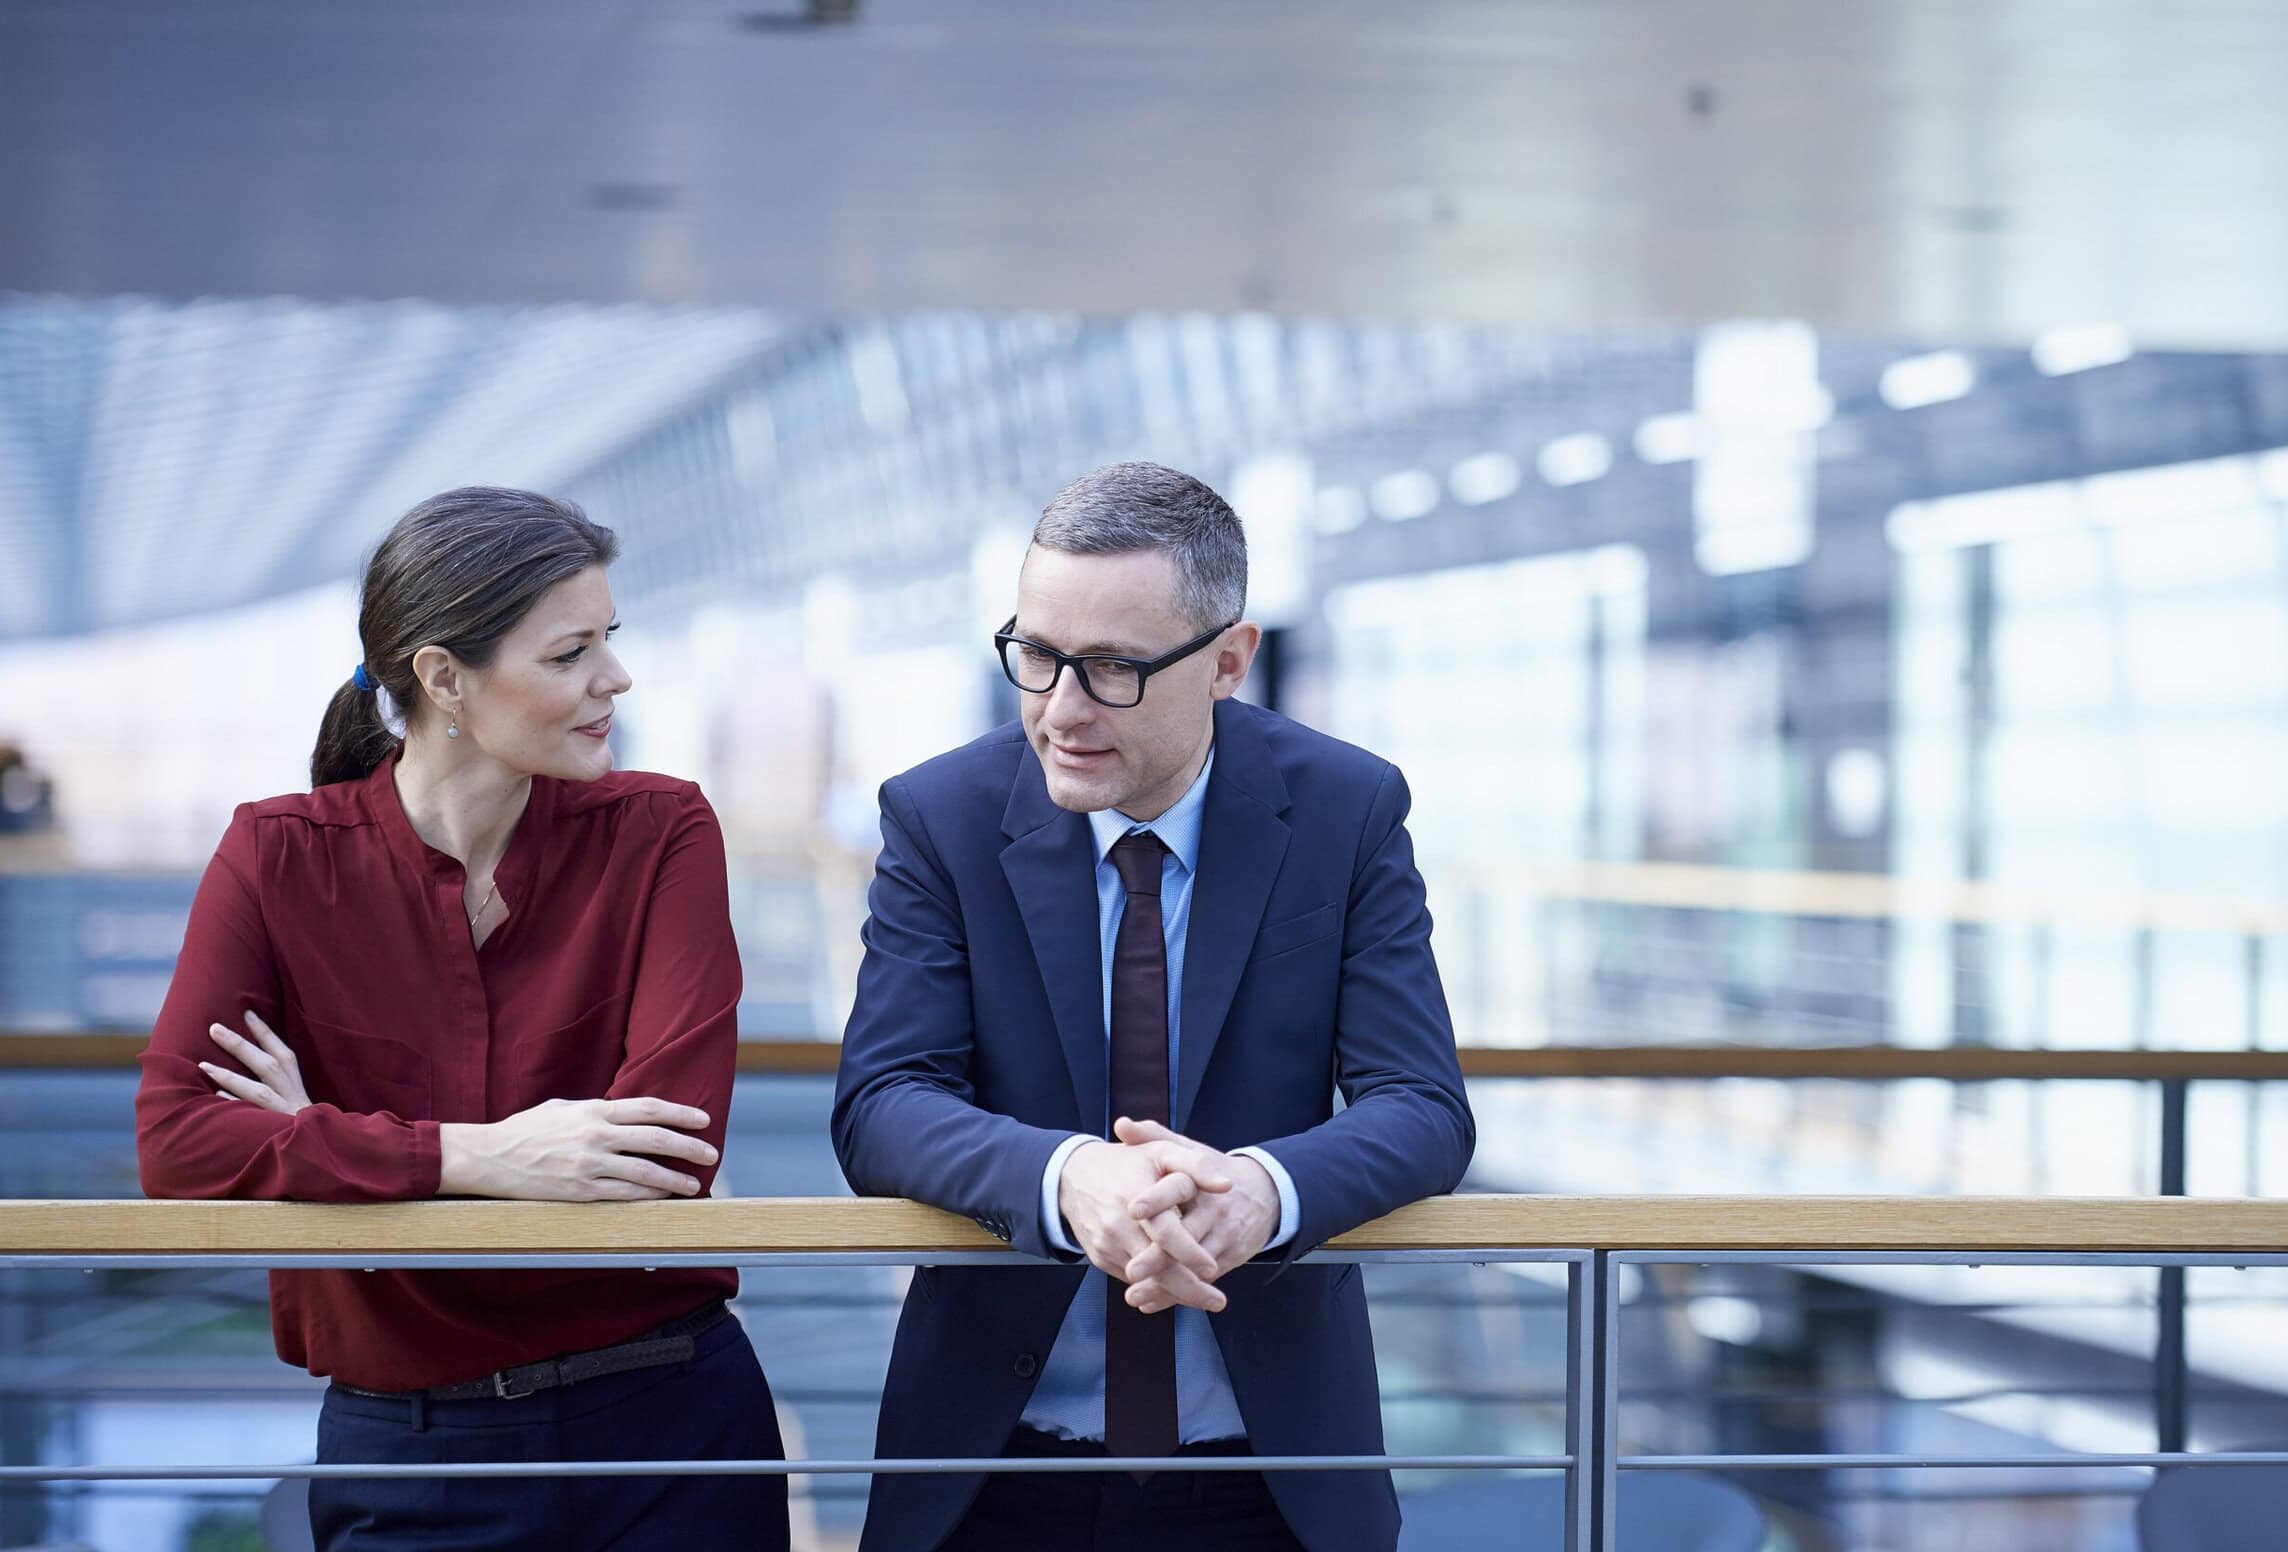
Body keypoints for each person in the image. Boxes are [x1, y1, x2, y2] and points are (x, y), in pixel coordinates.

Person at [833, 462, 1475, 1552]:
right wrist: (1068, 1178)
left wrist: (1260, 1196)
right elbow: (883, 1102)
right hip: (991, 1464)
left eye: (1114, 669)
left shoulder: (1345, 809)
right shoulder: (938, 816)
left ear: (1229, 661)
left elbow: (1420, 1104)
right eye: (1034, 657)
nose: (1060, 710)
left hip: (1271, 1472)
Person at [134, 486, 787, 1552]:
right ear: (443, 676)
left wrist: (317, 1140)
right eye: (570, 652)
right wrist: (486, 1154)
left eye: (607, 641)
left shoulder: (661, 830)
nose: (613, 678)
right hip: (411, 1451)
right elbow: (175, 1143)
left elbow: (658, 1156)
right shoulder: (277, 857)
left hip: (671, 1430)